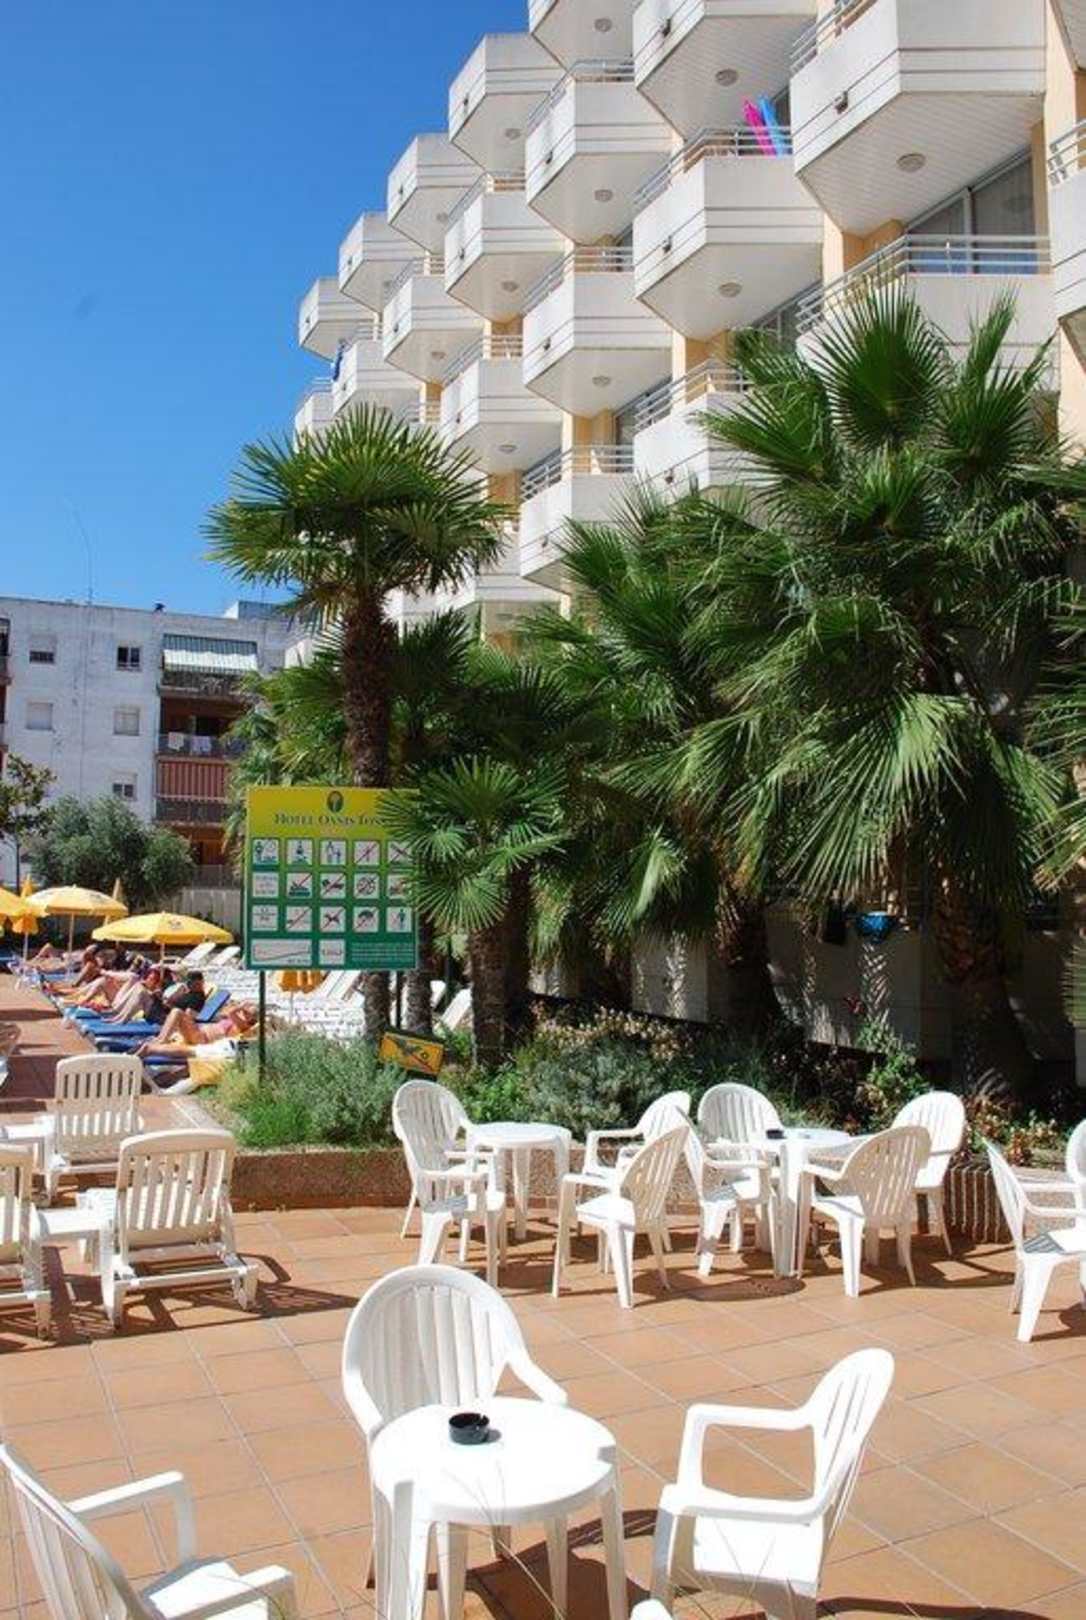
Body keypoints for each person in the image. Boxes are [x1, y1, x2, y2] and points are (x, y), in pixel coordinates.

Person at [135, 1001, 257, 1060]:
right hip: (199, 1032)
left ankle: (161, 1040)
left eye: (247, 1013)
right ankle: (160, 1039)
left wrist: (241, 1006)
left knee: (177, 1012)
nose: (243, 1013)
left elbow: (230, 1012)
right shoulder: (236, 1020)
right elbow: (225, 1012)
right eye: (245, 1011)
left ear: (252, 1019)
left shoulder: (244, 1026)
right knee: (177, 1012)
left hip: (202, 1039)